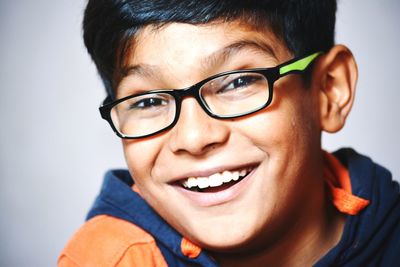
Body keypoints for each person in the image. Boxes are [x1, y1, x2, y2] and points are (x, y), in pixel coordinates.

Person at [58, 1, 400, 266]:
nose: (193, 138)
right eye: (147, 101)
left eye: (238, 82)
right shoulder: (109, 258)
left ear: (328, 89)